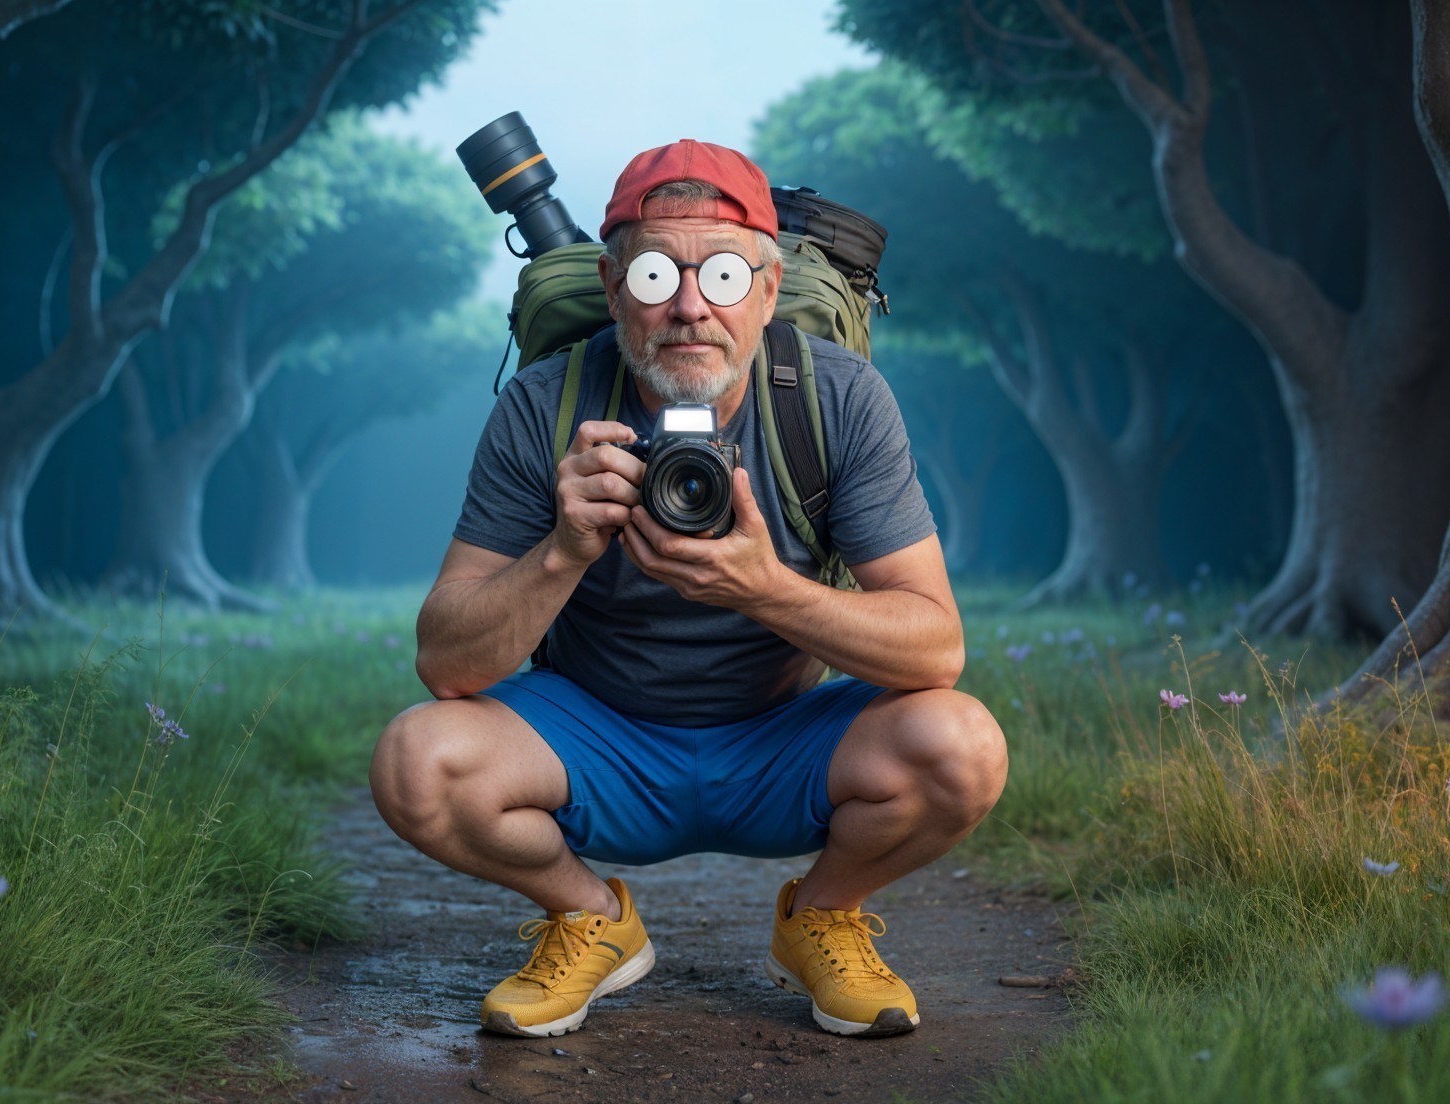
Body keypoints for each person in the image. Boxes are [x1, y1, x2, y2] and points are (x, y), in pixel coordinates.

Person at [370, 139, 1008, 1040]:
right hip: (597, 741)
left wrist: (766, 590)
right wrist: (562, 549)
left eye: (721, 274)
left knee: (963, 743)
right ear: (611, 284)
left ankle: (823, 915)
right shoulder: (548, 406)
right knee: (417, 760)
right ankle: (590, 916)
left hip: (780, 745)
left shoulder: (837, 398)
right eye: (657, 274)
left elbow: (936, 647)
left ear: (770, 286)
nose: (689, 306)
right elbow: (446, 661)